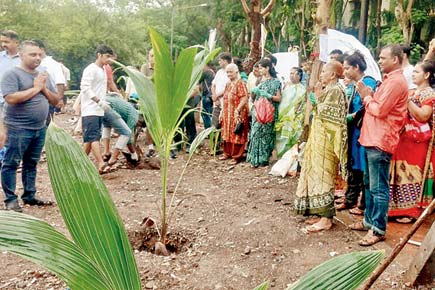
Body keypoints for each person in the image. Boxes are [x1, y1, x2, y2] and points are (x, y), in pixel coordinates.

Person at [350, 44, 408, 246]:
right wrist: (368, 95)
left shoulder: (396, 83)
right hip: (371, 137)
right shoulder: (389, 81)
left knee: (378, 188)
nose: (380, 60)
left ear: (395, 59)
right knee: (369, 184)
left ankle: (378, 229)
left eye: (383, 58)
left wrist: (366, 96)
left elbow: (380, 110)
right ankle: (368, 221)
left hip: (380, 140)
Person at [1, 40, 60, 212]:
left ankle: (29, 195)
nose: (37, 58)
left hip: (39, 127)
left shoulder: (42, 74)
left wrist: (43, 89)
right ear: (21, 55)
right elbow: (10, 98)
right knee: (11, 163)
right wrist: (35, 89)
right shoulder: (12, 74)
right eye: (32, 54)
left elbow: (56, 101)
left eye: (39, 55)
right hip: (18, 127)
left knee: (31, 163)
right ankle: (10, 200)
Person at [293, 61, 348, 233]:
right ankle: (318, 212)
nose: (321, 74)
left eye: (324, 71)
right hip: (318, 139)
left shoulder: (336, 90)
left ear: (333, 75)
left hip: (327, 142)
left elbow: (332, 117)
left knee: (324, 177)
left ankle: (326, 219)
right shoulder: (329, 90)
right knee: (316, 174)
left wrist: (317, 99)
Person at [388, 60, 435, 222]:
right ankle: (396, 209)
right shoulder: (414, 91)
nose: (413, 75)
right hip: (404, 140)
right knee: (400, 173)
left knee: (412, 174)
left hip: (417, 143)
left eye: (416, 72)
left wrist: (407, 101)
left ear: (427, 75)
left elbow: (423, 116)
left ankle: (410, 211)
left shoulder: (429, 94)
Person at [336, 51, 377, 215]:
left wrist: (350, 117)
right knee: (354, 165)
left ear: (356, 67)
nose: (344, 72)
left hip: (363, 130)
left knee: (362, 167)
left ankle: (362, 205)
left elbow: (366, 106)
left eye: (347, 68)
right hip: (354, 132)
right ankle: (350, 199)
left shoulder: (368, 83)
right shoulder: (354, 85)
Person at [80, 44, 115, 174]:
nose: (108, 59)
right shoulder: (91, 69)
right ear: (99, 55)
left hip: (99, 108)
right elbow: (85, 87)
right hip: (90, 108)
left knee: (90, 138)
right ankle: (101, 163)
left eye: (110, 57)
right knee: (94, 137)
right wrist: (97, 100)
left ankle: (80, 164)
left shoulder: (103, 70)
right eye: (107, 56)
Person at [247, 58, 281, 167]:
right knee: (255, 133)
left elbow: (278, 98)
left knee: (266, 135)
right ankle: (254, 159)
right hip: (257, 110)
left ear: (267, 68)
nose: (259, 70)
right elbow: (252, 98)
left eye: (261, 68)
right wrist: (254, 92)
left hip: (269, 111)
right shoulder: (259, 80)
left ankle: (264, 158)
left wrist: (268, 96)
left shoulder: (276, 82)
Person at [219, 63, 249, 164]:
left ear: (236, 72)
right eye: (227, 72)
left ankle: (236, 156)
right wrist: (222, 111)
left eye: (230, 72)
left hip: (237, 113)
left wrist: (238, 109)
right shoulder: (228, 84)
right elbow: (225, 98)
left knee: (237, 133)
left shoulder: (240, 83)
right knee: (227, 132)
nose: (229, 74)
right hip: (227, 112)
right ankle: (227, 153)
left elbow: (244, 98)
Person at [274, 67, 306, 157]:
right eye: (290, 73)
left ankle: (289, 160)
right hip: (282, 116)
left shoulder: (302, 89)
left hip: (293, 117)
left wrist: (295, 114)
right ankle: (281, 158)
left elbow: (300, 104)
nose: (291, 76)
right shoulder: (286, 86)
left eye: (294, 73)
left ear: (299, 76)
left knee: (290, 138)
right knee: (280, 137)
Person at [102, 94, 139, 167]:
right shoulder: (134, 115)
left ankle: (106, 152)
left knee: (107, 127)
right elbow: (128, 137)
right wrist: (133, 153)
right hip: (108, 106)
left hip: (100, 102)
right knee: (127, 133)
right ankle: (113, 159)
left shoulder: (126, 105)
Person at [33, 39, 66, 120]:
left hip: (48, 100)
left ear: (42, 49)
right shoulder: (31, 62)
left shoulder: (53, 64)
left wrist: (59, 99)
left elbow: (60, 82)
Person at [0, 30, 20, 118]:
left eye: (6, 42)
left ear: (16, 43)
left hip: (18, 102)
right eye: (2, 42)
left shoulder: (25, 58)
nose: (3, 44)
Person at [211, 52, 231, 128]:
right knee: (214, 126)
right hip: (216, 103)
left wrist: (217, 96)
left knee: (224, 127)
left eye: (220, 60)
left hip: (225, 103)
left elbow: (229, 87)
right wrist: (214, 97)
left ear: (225, 61)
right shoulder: (219, 72)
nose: (219, 62)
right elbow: (213, 85)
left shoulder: (231, 72)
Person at [199, 63, 215, 129]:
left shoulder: (207, 72)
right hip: (211, 95)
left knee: (205, 114)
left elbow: (198, 79)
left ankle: (207, 131)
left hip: (206, 95)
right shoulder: (213, 72)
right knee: (208, 113)